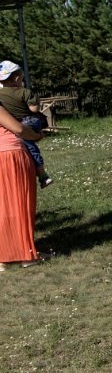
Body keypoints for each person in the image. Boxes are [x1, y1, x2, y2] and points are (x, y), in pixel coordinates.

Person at [0, 101, 42, 272]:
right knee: (20, 204)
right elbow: (18, 129)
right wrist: (35, 136)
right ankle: (25, 255)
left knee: (3, 206)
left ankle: (3, 258)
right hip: (9, 155)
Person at [0, 60, 53, 188]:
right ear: (17, 78)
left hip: (15, 124)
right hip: (29, 121)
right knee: (31, 147)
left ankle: (41, 174)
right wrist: (37, 102)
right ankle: (42, 174)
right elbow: (34, 110)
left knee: (28, 146)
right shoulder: (24, 92)